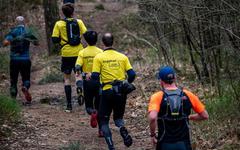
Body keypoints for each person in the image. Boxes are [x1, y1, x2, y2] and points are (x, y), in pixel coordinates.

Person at [91, 33, 136, 150]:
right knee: (118, 119)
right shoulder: (122, 57)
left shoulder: (99, 57)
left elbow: (95, 77)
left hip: (107, 92)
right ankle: (122, 130)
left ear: (103, 43)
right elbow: (132, 74)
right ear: (113, 42)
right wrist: (126, 82)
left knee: (103, 120)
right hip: (121, 92)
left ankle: (111, 146)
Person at [148, 66, 209, 150]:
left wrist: (152, 134)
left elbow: (152, 117)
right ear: (175, 78)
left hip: (164, 143)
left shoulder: (157, 96)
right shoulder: (188, 94)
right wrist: (190, 117)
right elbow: (205, 115)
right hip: (184, 144)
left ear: (161, 81)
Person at [52, 3, 87, 112]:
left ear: (63, 13)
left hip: (66, 53)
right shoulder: (79, 22)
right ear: (73, 12)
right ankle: (80, 89)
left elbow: (54, 39)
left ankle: (69, 105)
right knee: (78, 74)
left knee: (67, 78)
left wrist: (62, 40)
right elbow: (86, 34)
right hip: (79, 52)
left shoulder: (58, 24)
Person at [2, 16, 39, 104]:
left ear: (16, 23)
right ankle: (25, 87)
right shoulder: (27, 32)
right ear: (24, 23)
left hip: (14, 60)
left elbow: (5, 43)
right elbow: (37, 43)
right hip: (25, 59)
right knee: (26, 79)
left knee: (13, 80)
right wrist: (30, 39)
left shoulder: (13, 32)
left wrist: (13, 40)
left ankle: (13, 101)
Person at [75, 30, 103, 136]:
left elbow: (77, 66)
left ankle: (92, 112)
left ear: (86, 40)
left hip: (88, 82)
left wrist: (81, 73)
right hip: (99, 81)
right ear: (96, 40)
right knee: (99, 105)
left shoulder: (82, 52)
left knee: (89, 105)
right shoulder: (101, 52)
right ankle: (101, 130)